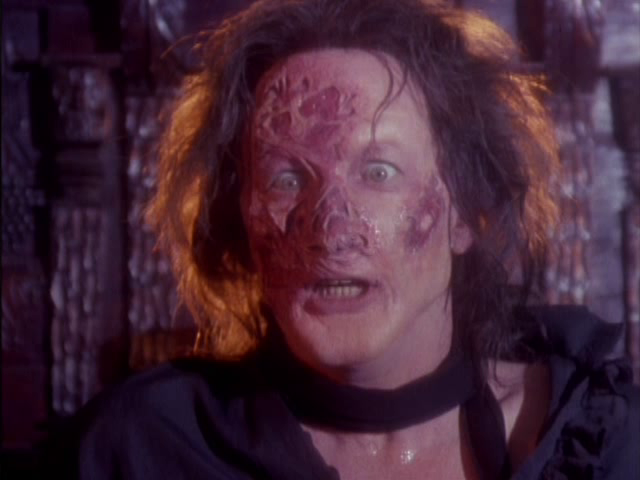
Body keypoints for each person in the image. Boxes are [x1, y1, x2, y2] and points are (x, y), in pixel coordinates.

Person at [44, 0, 639, 478]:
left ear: (465, 214)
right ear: (241, 218)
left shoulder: (601, 441)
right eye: (285, 179)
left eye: (379, 172)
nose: (329, 231)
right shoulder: (138, 449)